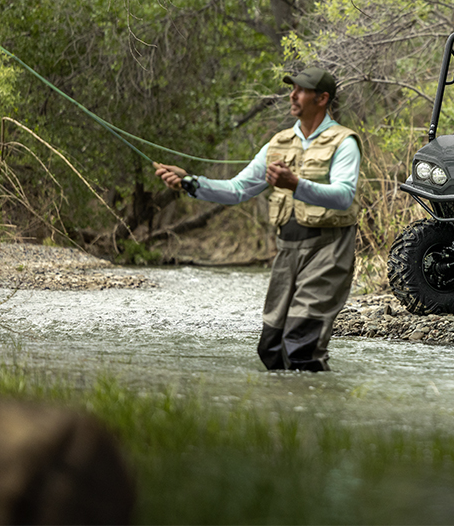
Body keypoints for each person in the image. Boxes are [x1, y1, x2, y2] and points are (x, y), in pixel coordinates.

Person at [154, 67, 362, 372]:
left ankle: (316, 413)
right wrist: (190, 182)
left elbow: (344, 196)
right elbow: (238, 189)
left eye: (301, 90)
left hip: (328, 252)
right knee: (271, 349)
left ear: (322, 98)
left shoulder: (344, 142)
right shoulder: (277, 143)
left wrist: (296, 185)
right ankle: (285, 414)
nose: (292, 95)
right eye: (292, 88)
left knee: (301, 347)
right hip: (287, 251)